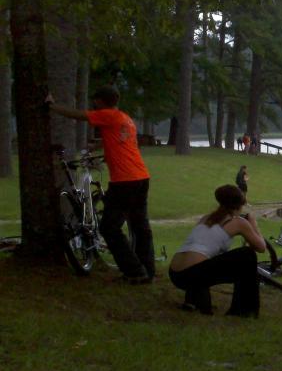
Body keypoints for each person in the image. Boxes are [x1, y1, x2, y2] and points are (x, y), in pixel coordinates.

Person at [47, 86, 156, 284]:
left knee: (109, 228)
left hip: (125, 181)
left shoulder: (107, 115)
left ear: (99, 101)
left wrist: (53, 107)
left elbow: (79, 115)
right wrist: (97, 147)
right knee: (141, 226)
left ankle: (134, 270)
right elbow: (118, 140)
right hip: (141, 177)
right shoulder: (125, 118)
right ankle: (147, 269)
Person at [168, 185, 266, 317]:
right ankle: (243, 310)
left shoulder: (206, 218)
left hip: (175, 273)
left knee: (204, 257)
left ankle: (193, 300)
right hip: (191, 275)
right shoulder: (239, 222)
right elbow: (261, 247)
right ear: (239, 205)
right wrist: (253, 224)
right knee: (247, 255)